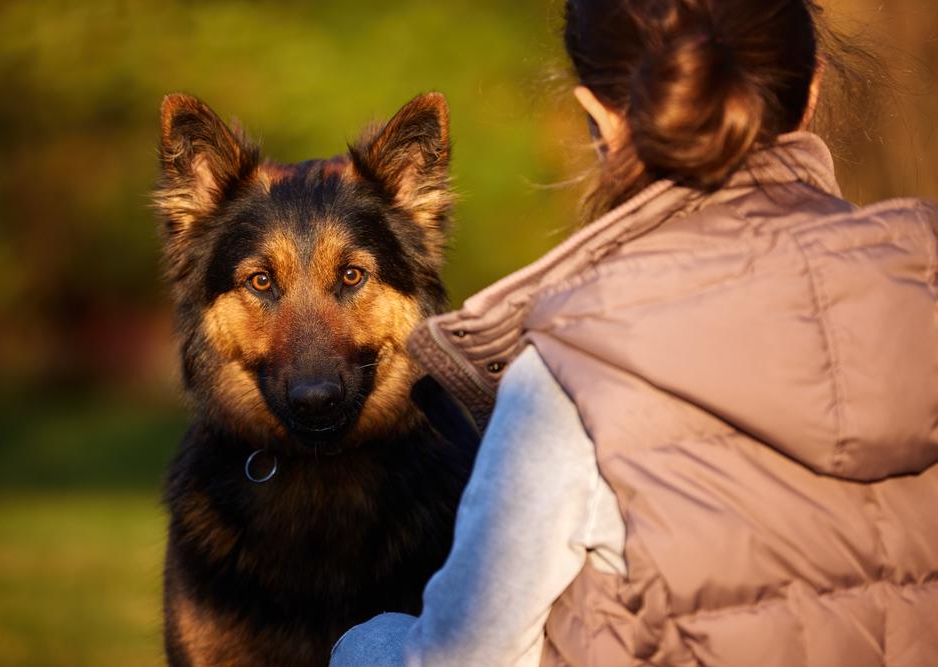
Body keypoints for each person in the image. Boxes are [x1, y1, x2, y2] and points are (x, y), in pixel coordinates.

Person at [331, 0, 938, 664]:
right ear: (812, 86)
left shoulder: (576, 366)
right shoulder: (924, 290)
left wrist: (358, 644)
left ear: (599, 116)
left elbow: (464, 656)